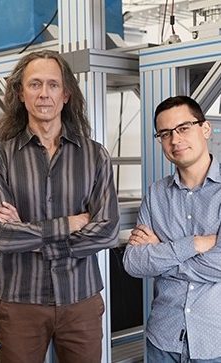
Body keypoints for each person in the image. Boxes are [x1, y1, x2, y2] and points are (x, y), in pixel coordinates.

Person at [0, 49, 119, 363]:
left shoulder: (94, 156)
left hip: (80, 299)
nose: (44, 93)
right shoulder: (1, 157)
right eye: (34, 85)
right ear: (20, 93)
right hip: (21, 301)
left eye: (52, 85)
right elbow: (2, 236)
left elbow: (108, 231)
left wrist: (29, 233)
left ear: (66, 94)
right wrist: (71, 223)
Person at [123, 95, 221, 362]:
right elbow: (134, 262)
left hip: (215, 343)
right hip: (163, 341)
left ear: (205, 129)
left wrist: (162, 254)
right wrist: (196, 245)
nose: (175, 140)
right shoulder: (156, 194)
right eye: (165, 133)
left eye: (183, 128)